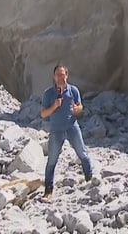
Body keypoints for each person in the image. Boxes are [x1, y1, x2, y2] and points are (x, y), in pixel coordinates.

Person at [41, 64, 93, 198]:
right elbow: (43, 114)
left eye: (63, 75)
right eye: (58, 75)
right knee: (52, 160)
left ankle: (90, 179)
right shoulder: (48, 93)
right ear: (54, 76)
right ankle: (48, 190)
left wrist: (78, 109)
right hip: (56, 130)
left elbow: (80, 105)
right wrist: (54, 106)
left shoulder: (73, 90)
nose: (60, 77)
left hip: (72, 127)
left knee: (83, 153)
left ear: (67, 75)